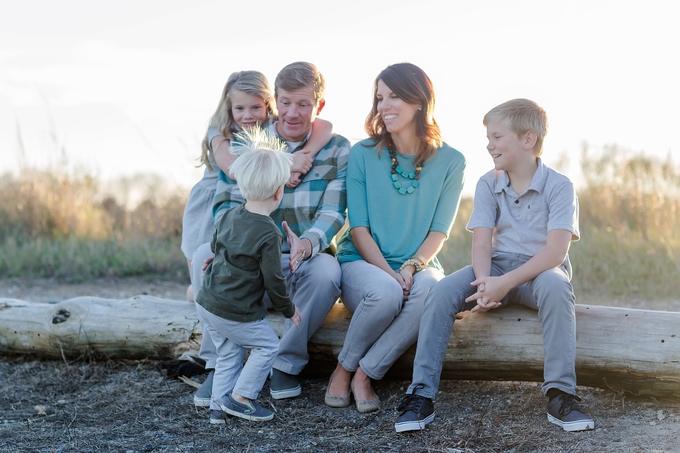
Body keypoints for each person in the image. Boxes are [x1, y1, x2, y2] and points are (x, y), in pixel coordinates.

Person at [394, 99, 595, 433]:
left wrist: (505, 284)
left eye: (498, 137)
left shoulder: (560, 186)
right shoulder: (488, 184)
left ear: (528, 140)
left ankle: (561, 395)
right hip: (495, 268)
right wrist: (487, 282)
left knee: (558, 286)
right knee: (442, 290)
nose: (489, 144)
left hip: (540, 274)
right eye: (488, 137)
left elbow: (555, 253)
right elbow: (482, 243)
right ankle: (421, 395)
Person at [191, 61, 350, 407]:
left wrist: (307, 243)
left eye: (304, 104)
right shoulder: (251, 141)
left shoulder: (337, 149)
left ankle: (285, 362)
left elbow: (334, 212)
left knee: (327, 272)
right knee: (204, 253)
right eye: (286, 102)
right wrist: (226, 247)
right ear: (275, 101)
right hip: (248, 260)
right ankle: (219, 365)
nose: (293, 113)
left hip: (298, 260)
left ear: (318, 106)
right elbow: (225, 203)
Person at [327, 63, 466, 413]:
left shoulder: (452, 161)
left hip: (418, 263)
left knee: (434, 291)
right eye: (379, 98)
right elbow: (358, 228)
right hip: (362, 261)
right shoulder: (362, 153)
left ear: (419, 101)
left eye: (394, 97)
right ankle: (341, 369)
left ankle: (364, 373)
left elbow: (439, 230)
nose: (383, 106)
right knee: (386, 294)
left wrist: (411, 266)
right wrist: (390, 274)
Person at [180, 70, 332, 303]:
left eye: (255, 108)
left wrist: (305, 154)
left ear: (268, 105)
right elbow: (233, 169)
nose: (248, 116)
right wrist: (289, 165)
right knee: (201, 261)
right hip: (211, 198)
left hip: (246, 197)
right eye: (239, 109)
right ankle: (198, 298)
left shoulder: (268, 129)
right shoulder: (219, 130)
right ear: (229, 108)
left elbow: (325, 126)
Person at [195, 128, 302, 423]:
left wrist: (214, 262)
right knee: (268, 345)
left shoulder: (229, 214)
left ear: (243, 186)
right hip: (233, 311)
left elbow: (217, 248)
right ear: (279, 192)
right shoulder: (269, 232)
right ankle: (242, 398)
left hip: (207, 304)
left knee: (229, 354)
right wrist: (288, 309)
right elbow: (273, 280)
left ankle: (218, 410)